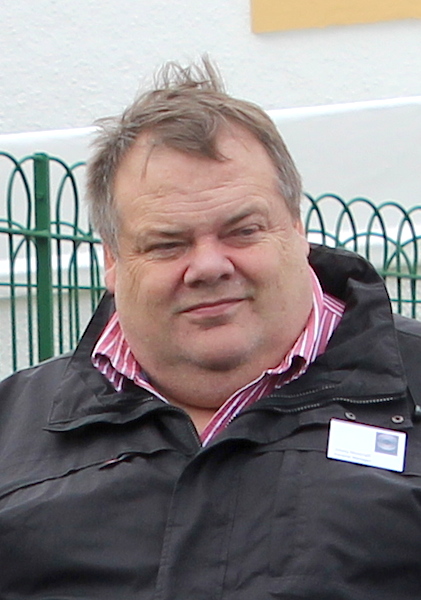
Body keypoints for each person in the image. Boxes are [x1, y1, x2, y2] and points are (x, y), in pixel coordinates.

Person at [1, 59, 421, 600]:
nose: (208, 266)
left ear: (297, 229)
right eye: (167, 243)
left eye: (242, 231)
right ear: (111, 259)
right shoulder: (11, 432)